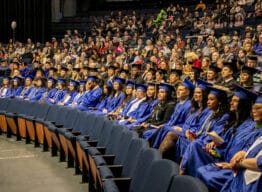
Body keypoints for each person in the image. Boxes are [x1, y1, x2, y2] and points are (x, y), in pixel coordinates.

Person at [197, 95, 262, 192]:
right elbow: (238, 148)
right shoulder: (244, 126)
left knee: (207, 173)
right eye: (253, 108)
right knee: (200, 161)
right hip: (233, 164)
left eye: (258, 108)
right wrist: (217, 151)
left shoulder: (254, 128)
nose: (254, 111)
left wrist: (236, 163)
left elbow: (257, 161)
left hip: (242, 173)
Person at [179, 86, 230, 175]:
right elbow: (201, 130)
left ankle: (182, 172)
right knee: (182, 139)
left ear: (220, 102)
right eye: (208, 99)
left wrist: (197, 139)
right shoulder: (212, 114)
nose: (208, 102)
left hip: (209, 146)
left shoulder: (224, 117)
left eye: (211, 99)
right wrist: (194, 134)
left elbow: (214, 135)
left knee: (194, 144)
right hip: (200, 141)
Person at [157, 78, 211, 159]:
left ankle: (158, 158)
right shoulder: (195, 109)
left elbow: (198, 130)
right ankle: (157, 156)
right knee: (165, 128)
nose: (195, 94)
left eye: (199, 92)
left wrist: (183, 130)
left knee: (170, 133)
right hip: (184, 131)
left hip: (191, 136)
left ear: (204, 95)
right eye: (195, 92)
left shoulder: (207, 111)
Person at [150, 79, 194, 148]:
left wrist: (176, 127)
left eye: (181, 90)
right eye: (178, 90)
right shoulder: (179, 104)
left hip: (179, 129)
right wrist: (165, 124)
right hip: (170, 126)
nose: (178, 92)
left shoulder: (189, 106)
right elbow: (171, 119)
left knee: (161, 130)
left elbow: (187, 123)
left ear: (188, 92)